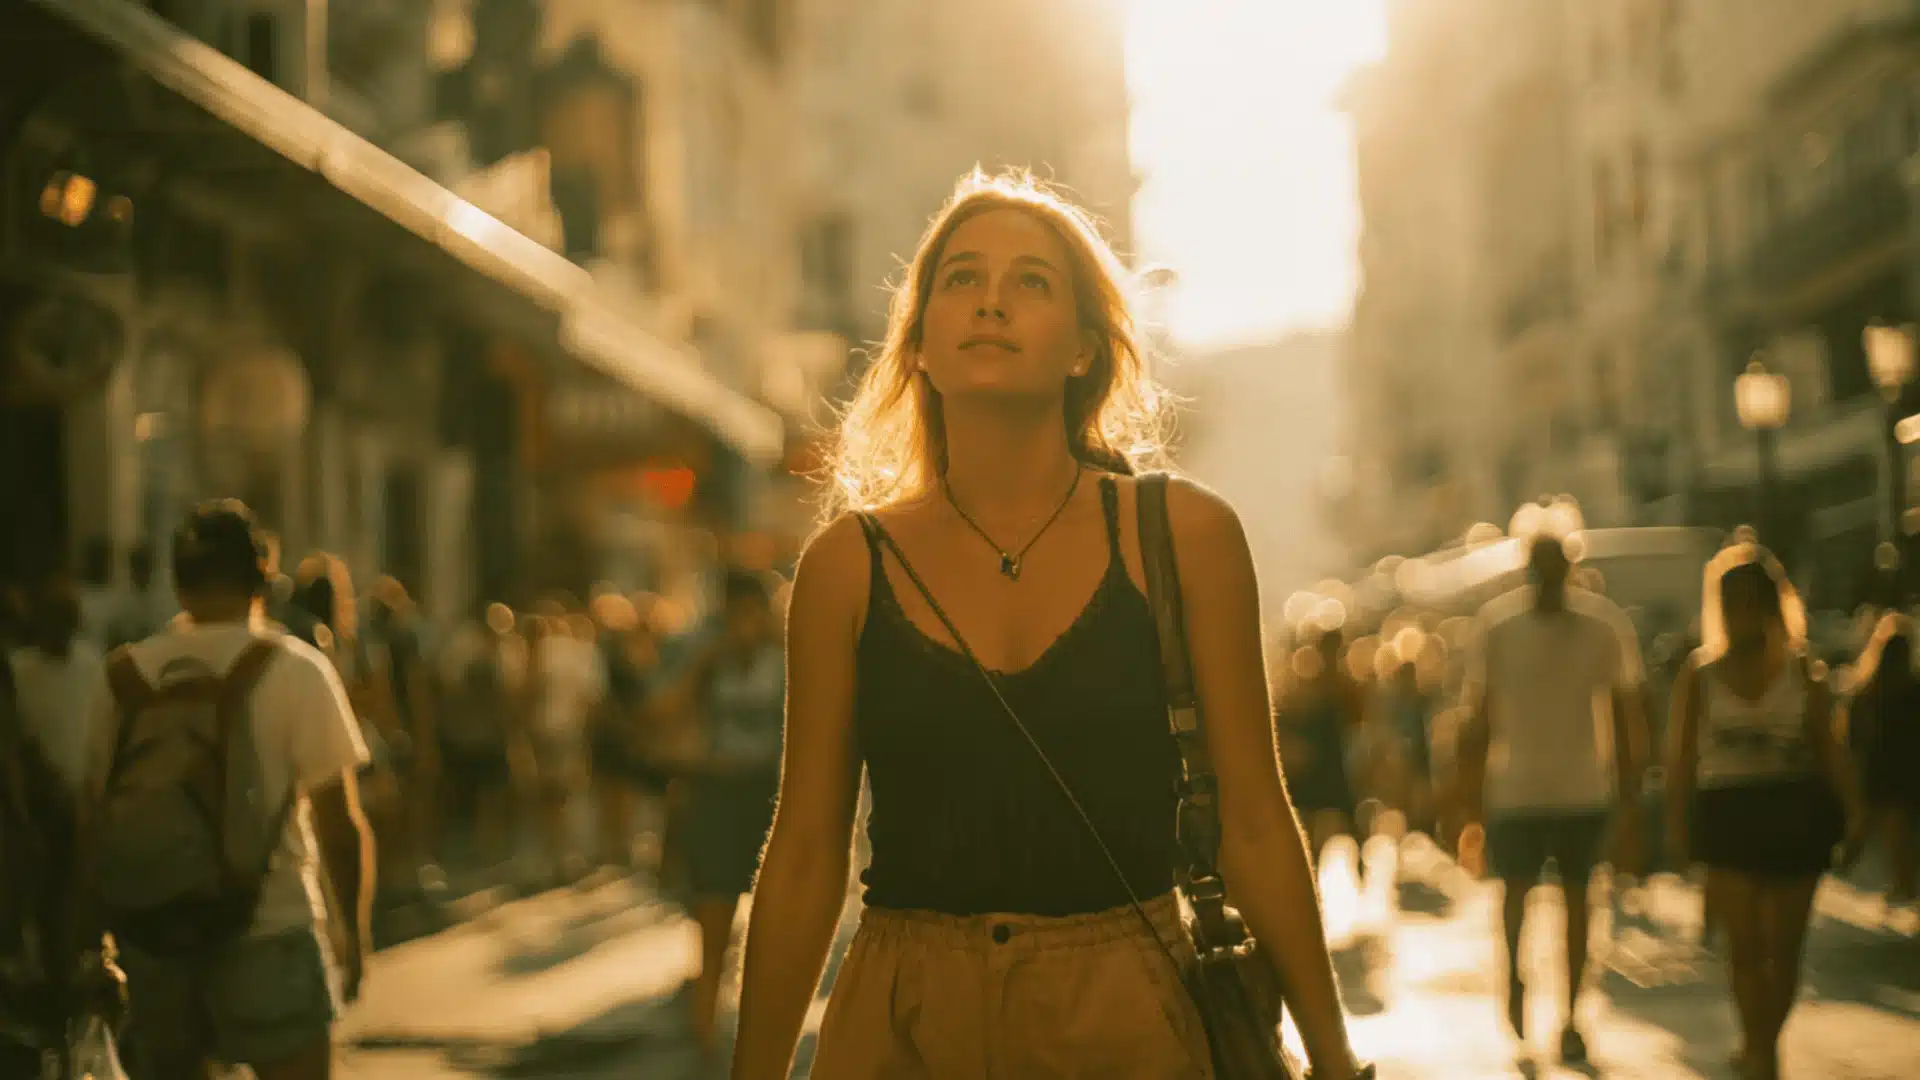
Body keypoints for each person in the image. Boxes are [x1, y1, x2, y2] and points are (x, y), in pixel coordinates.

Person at [728, 170, 1368, 1080]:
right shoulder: (845, 566)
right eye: (961, 279)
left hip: (1132, 1012)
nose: (992, 301)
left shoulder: (1182, 536)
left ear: (1082, 349)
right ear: (918, 347)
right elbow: (802, 853)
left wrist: (1334, 1060)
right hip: (902, 1023)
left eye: (1032, 282)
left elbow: (1257, 823)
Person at [81, 500, 375, 1080]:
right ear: (263, 578)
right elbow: (339, 823)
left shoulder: (124, 676)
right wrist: (355, 938)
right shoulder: (295, 668)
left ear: (178, 583)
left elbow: (89, 813)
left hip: (153, 935)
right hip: (271, 928)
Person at [1666, 546, 1868, 1080]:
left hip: (1794, 810)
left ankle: (1761, 1044)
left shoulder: (1803, 670)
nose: (1742, 612)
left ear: (1773, 604)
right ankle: (1759, 1050)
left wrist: (1855, 811)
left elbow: (1829, 749)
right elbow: (1680, 759)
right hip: (1728, 812)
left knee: (1785, 948)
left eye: (1753, 601)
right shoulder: (1700, 673)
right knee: (1745, 947)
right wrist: (1676, 823)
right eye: (1731, 602)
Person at [1458, 531, 1648, 1064]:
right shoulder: (1498, 628)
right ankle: (1517, 981)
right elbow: (1479, 717)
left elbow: (1626, 714)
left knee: (1577, 902)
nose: (1546, 579)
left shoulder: (1602, 625)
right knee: (1517, 899)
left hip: (1581, 787)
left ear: (1569, 568)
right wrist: (1467, 800)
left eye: (1553, 568)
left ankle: (1570, 1013)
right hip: (1516, 787)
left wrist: (1631, 795)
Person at [667, 571, 785, 1064]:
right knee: (712, 918)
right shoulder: (706, 658)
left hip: (767, 796)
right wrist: (703, 665)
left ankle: (765, 1037)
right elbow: (665, 712)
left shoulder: (783, 662)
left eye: (751, 612)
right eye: (734, 613)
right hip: (715, 791)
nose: (744, 623)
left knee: (773, 925)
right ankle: (705, 1036)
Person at [1275, 629, 1367, 860]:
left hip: (1333, 765)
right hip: (1316, 767)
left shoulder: (1344, 685)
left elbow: (1358, 719)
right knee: (1309, 825)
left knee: (1348, 825)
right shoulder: (1307, 683)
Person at [1846, 613, 1918, 903]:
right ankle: (1903, 884)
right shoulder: (1912, 690)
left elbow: (1854, 735)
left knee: (1889, 831)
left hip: (1880, 770)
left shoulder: (1868, 690)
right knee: (1901, 832)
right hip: (1906, 771)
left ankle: (1901, 884)